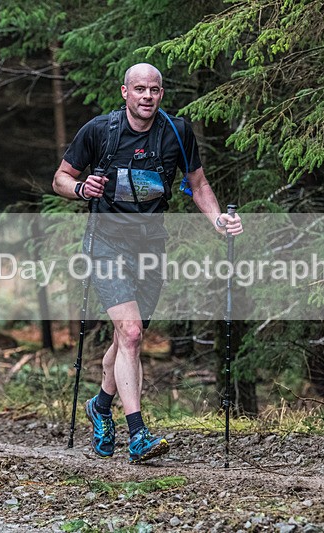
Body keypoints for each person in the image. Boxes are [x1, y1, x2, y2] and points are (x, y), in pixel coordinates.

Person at [52, 63, 243, 464]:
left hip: (151, 245)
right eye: (139, 89)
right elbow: (61, 179)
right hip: (105, 242)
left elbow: (198, 184)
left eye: (154, 90)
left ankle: (100, 407)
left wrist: (217, 220)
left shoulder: (176, 131)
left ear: (161, 93)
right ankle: (137, 433)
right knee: (132, 332)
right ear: (124, 92)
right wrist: (83, 188)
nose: (147, 97)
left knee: (128, 339)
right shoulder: (100, 131)